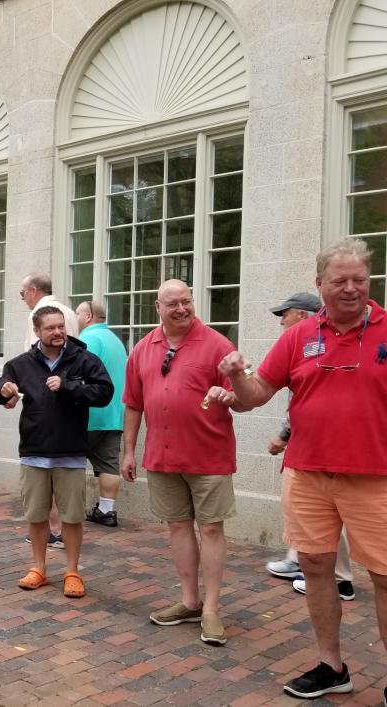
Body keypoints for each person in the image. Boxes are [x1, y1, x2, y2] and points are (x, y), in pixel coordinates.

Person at [219, 238, 387, 701]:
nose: (351, 288)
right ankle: (332, 667)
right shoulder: (298, 335)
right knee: (315, 567)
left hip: (375, 478)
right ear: (320, 284)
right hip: (308, 474)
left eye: (359, 279)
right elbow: (255, 396)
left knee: (385, 576)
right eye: (339, 281)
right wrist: (234, 373)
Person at [120, 279, 247, 647]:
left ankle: (211, 608)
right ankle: (190, 601)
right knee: (178, 527)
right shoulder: (143, 349)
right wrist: (129, 451)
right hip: (162, 456)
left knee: (210, 529)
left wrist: (230, 393)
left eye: (186, 301)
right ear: (157, 307)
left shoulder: (217, 345)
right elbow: (133, 404)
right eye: (172, 303)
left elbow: (242, 398)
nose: (181, 309)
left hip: (209, 456)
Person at [0, 306, 112, 597]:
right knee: (36, 514)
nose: (58, 333)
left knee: (71, 516)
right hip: (34, 451)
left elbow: (105, 392)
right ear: (37, 331)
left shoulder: (84, 360)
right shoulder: (21, 364)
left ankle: (72, 571)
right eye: (50, 328)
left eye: (61, 327)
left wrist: (69, 386)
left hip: (70, 451)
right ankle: (39, 568)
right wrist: (2, 389)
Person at [261, 293, 355, 601]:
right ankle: (297, 559)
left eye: (284, 314)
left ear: (302, 315)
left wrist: (284, 435)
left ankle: (340, 579)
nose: (281, 320)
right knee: (306, 510)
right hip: (307, 447)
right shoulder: (300, 345)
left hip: (330, 451)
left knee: (329, 511)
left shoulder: (319, 345)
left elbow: (309, 400)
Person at [20, 272, 78, 547]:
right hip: (70, 408)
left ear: (33, 291)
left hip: (50, 403)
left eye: (22, 294)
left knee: (49, 472)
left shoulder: (41, 314)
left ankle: (53, 530)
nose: (23, 300)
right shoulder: (67, 311)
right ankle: (59, 530)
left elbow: (35, 362)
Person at [75, 300, 128, 527]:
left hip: (89, 414)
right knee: (108, 464)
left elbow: (78, 373)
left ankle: (72, 509)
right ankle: (107, 511)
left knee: (71, 462)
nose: (74, 319)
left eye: (77, 313)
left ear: (87, 317)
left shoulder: (88, 339)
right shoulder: (116, 341)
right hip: (114, 414)